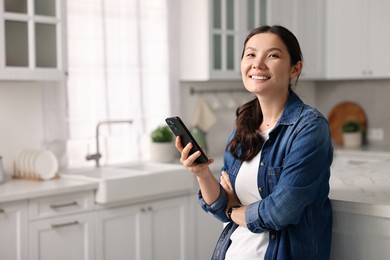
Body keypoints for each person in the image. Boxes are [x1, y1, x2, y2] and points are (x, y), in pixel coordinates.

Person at [176, 25, 333, 260]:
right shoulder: (242, 130)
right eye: (250, 54)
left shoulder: (309, 127)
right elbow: (219, 207)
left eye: (273, 55)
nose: (257, 63)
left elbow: (279, 212)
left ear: (295, 69)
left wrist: (233, 208)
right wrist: (202, 173)